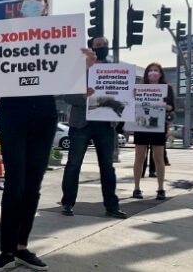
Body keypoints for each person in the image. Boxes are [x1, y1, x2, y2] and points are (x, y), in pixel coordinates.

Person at [0, 0, 97, 272]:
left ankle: (22, 248)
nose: (32, 1)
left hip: (44, 114)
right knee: (14, 183)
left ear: (46, 7)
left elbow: (68, 84)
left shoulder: (62, 36)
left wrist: (85, 66)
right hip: (13, 112)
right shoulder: (0, 35)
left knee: (33, 185)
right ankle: (5, 251)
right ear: (20, 5)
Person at [58, 37, 126, 219]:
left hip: (105, 125)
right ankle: (67, 203)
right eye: (98, 45)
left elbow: (122, 97)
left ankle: (112, 206)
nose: (103, 48)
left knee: (107, 167)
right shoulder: (78, 71)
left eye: (105, 45)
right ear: (91, 48)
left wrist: (129, 95)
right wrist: (82, 96)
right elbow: (65, 96)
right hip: (81, 124)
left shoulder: (115, 71)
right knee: (73, 165)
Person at [132, 62, 174, 201]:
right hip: (141, 126)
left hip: (158, 127)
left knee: (158, 158)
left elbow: (171, 107)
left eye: (156, 70)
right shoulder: (140, 88)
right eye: (150, 71)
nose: (153, 73)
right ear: (146, 74)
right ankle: (136, 188)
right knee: (139, 158)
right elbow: (132, 104)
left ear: (161, 74)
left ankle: (161, 189)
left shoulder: (167, 89)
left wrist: (163, 105)